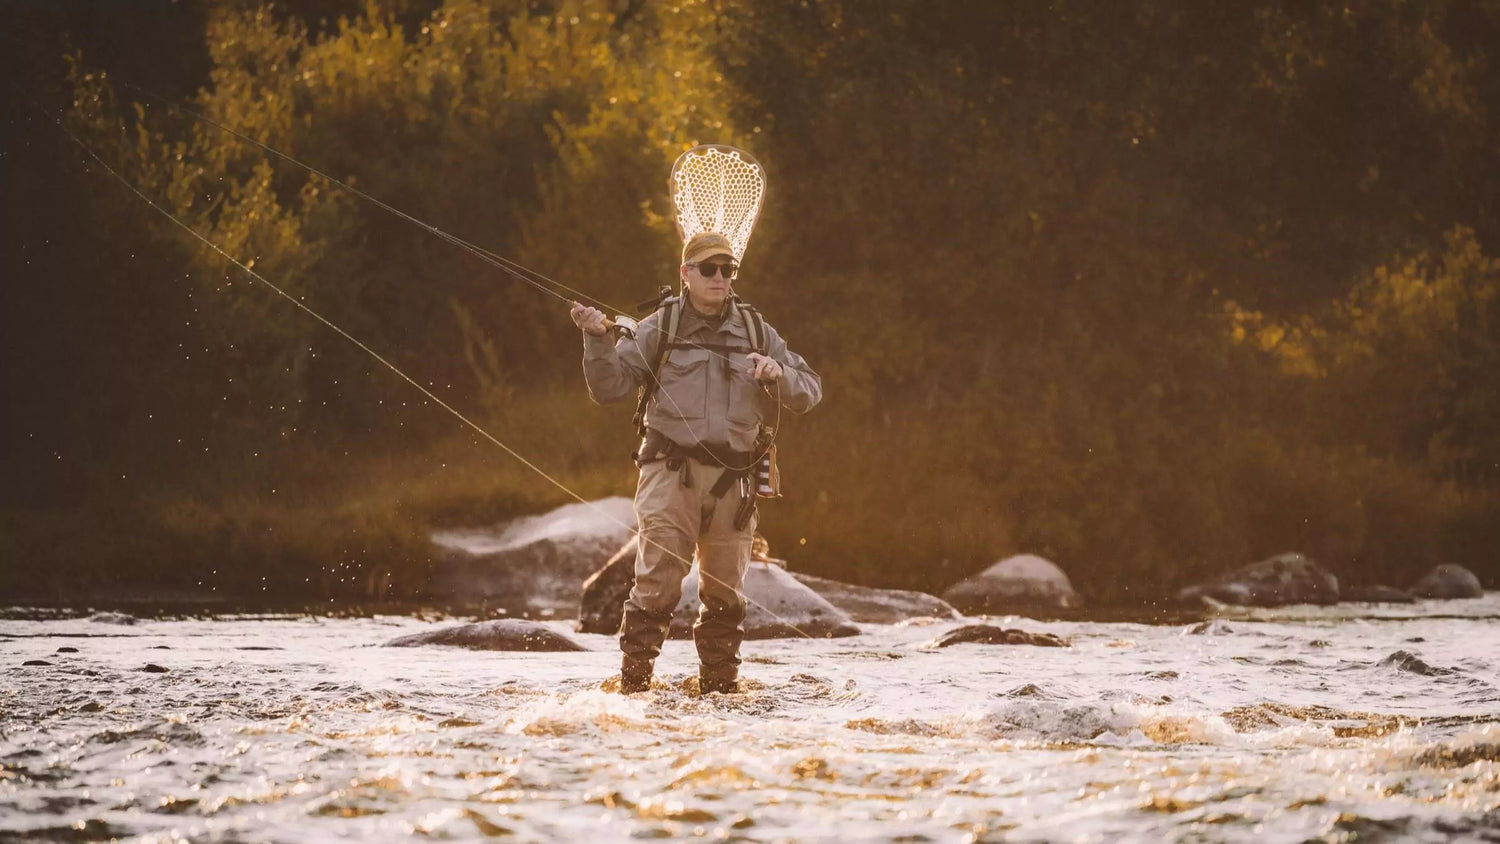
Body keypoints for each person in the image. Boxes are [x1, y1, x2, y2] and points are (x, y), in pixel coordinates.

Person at [569, 231, 822, 694]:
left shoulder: (755, 330)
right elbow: (610, 389)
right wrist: (596, 341)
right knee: (657, 587)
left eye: (728, 270)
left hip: (735, 485)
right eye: (709, 269)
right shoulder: (657, 327)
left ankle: (720, 698)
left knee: (726, 596)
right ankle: (634, 691)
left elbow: (811, 389)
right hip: (670, 475)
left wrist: (779, 374)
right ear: (686, 274)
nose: (720, 278)